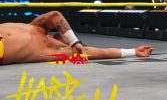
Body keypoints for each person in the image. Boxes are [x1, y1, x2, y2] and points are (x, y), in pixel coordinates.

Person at [0, 11, 152, 65]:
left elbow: (98, 53)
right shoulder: (36, 27)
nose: (62, 36)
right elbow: (55, 15)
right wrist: (74, 41)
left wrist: (133, 52)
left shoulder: (54, 52)